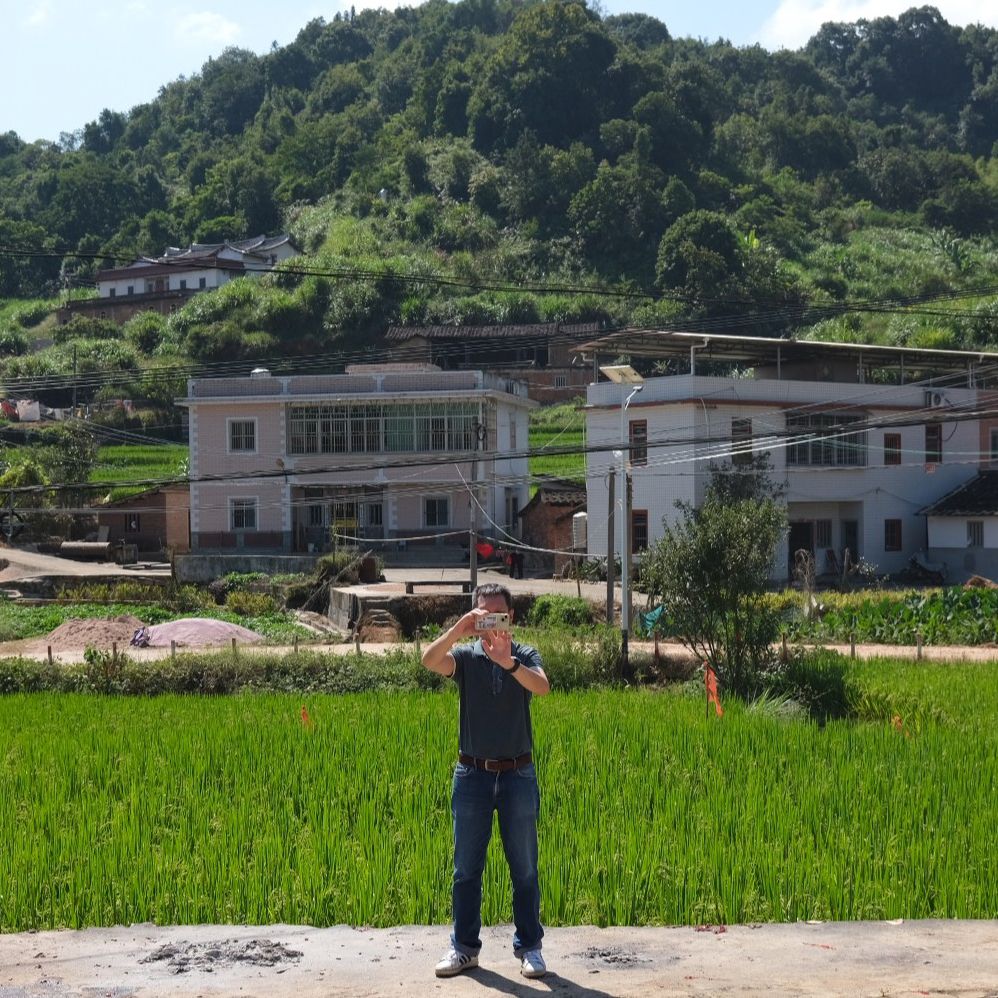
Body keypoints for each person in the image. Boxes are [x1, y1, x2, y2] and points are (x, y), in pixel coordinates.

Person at [421, 583, 551, 980]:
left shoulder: (524, 655)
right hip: (472, 775)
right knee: (465, 870)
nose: (492, 622)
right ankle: (464, 948)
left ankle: (530, 948)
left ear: (512, 618)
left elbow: (542, 686)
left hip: (517, 774)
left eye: (499, 615)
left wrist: (508, 663)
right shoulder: (466, 657)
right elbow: (429, 660)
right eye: (483, 615)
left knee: (524, 868)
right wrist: (458, 630)